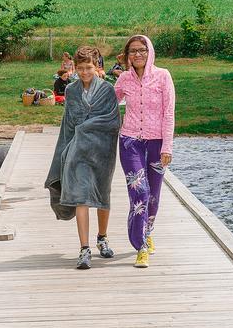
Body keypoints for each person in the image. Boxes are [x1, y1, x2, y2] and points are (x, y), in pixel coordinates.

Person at [45, 45, 122, 269]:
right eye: (80, 68)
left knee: (101, 196)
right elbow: (68, 124)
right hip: (77, 151)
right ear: (75, 68)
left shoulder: (107, 90)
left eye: (88, 67)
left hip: (101, 151)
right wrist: (64, 152)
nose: (85, 72)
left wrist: (86, 127)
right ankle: (84, 248)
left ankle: (102, 237)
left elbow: (112, 121)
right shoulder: (71, 91)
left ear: (97, 66)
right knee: (81, 197)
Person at [113, 35, 175, 268]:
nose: (138, 55)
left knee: (153, 196)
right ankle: (141, 246)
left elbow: (168, 113)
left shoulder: (163, 76)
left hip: (156, 143)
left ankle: (147, 230)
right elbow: (109, 102)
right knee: (139, 193)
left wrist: (167, 146)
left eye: (142, 50)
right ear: (127, 55)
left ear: (150, 52)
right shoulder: (124, 79)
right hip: (130, 143)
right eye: (133, 51)